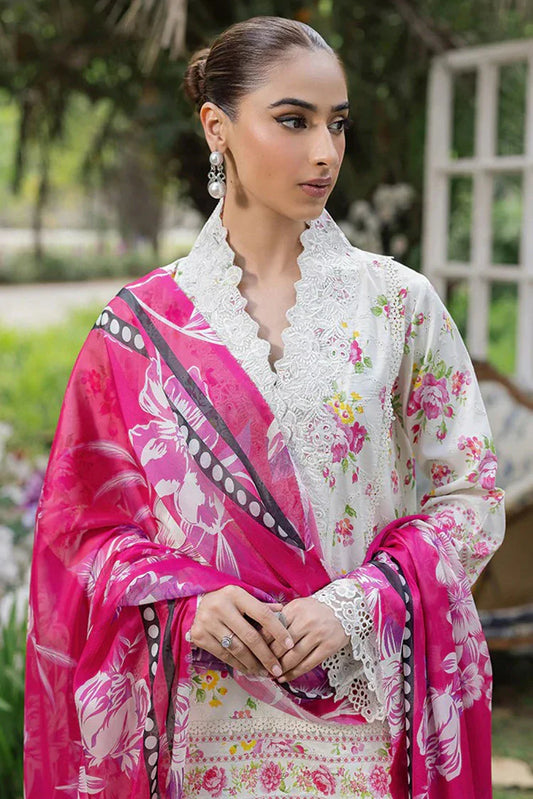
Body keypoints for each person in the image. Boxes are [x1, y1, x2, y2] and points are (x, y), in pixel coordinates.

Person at [24, 16, 505, 799]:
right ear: (216, 127)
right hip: (195, 731)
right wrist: (186, 599)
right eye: (293, 120)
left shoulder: (397, 305)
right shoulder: (138, 326)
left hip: (362, 723)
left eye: (336, 124)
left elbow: (470, 496)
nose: (324, 152)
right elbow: (79, 531)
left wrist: (361, 602)